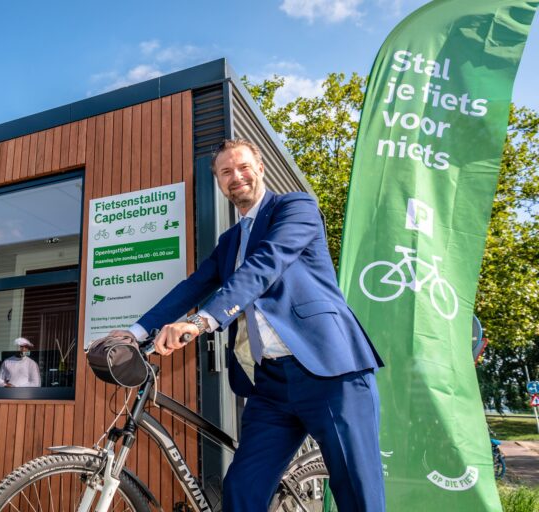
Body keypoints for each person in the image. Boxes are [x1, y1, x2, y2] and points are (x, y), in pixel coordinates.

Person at [110, 139, 385, 511]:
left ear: (260, 168)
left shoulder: (295, 207)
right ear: (220, 183)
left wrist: (201, 321)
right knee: (241, 491)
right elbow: (192, 286)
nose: (235, 177)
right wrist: (138, 331)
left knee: (356, 491)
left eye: (242, 167)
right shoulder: (230, 241)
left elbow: (266, 265)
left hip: (329, 370)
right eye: (226, 172)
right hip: (270, 384)